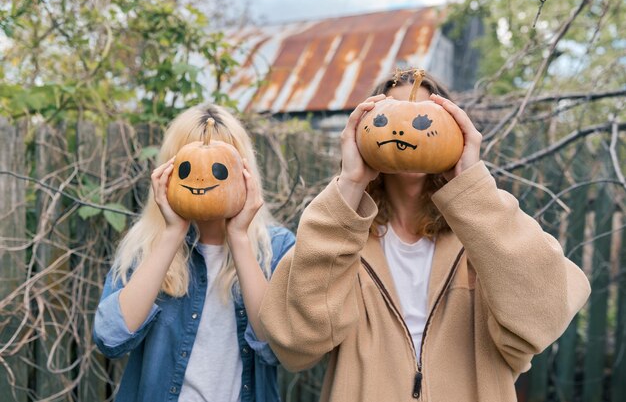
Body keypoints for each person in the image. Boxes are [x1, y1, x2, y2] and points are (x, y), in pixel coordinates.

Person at [258, 70, 591, 401]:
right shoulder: (340, 238)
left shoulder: (486, 235)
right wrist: (350, 184)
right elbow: (298, 342)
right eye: (391, 114)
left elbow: (540, 318)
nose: (405, 125)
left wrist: (472, 185)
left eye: (423, 117)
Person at [93, 103, 295, 402]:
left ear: (244, 174)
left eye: (218, 168)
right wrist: (172, 233)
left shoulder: (276, 248)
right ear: (167, 174)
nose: (202, 178)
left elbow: (276, 347)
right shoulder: (147, 246)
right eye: (188, 167)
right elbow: (110, 339)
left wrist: (238, 237)